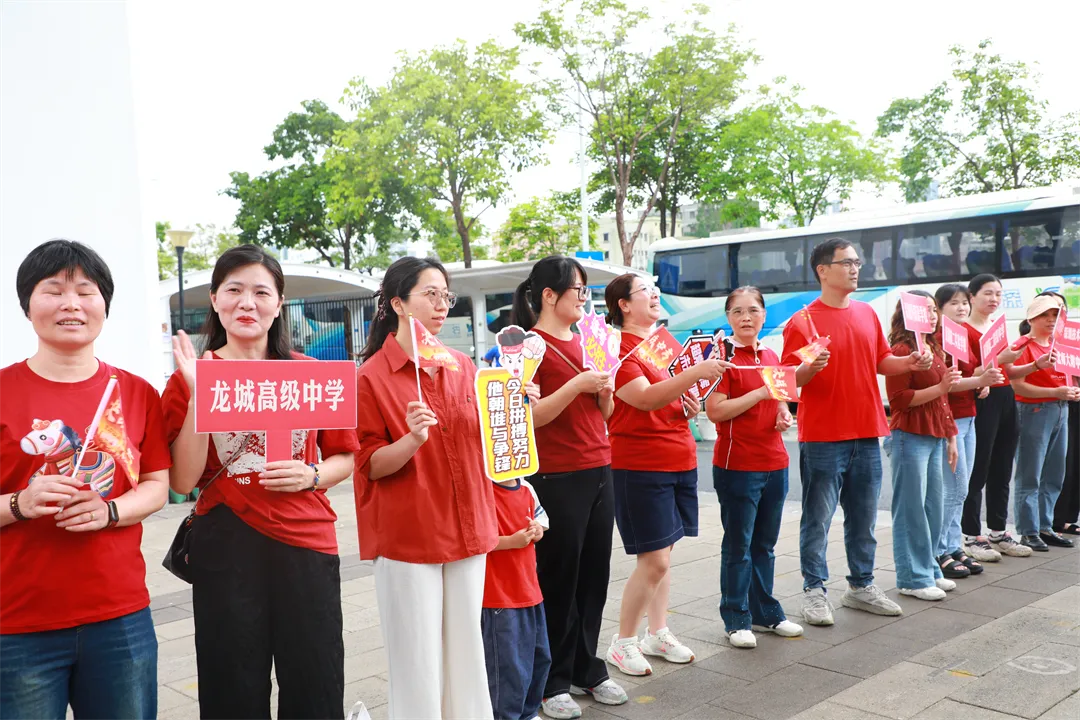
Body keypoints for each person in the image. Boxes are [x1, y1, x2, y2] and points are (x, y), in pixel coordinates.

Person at [163, 245, 358, 720]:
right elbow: (184, 479)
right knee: (232, 682)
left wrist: (310, 474)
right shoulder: (189, 377)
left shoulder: (309, 374)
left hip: (307, 543)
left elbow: (345, 456)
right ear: (214, 299)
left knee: (315, 678)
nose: (246, 303)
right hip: (226, 544)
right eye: (233, 290)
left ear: (279, 302)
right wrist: (196, 392)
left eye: (260, 292)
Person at [0, 240, 171, 718]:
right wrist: (20, 503)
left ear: (104, 306)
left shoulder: (135, 392)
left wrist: (111, 510)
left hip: (120, 617)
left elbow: (158, 483)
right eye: (53, 290)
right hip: (17, 623)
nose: (71, 304)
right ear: (27, 305)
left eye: (86, 292)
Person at [352, 257, 497, 720]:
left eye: (445, 296)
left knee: (466, 648)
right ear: (397, 303)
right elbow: (369, 465)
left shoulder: (461, 365)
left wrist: (512, 402)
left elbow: (487, 440)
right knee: (416, 657)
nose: (441, 306)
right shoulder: (371, 376)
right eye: (429, 295)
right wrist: (412, 440)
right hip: (410, 533)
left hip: (468, 523)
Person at [783, 237, 930, 627]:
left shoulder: (866, 313)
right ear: (823, 270)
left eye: (857, 262)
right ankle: (815, 590)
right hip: (822, 435)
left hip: (867, 430)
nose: (855, 269)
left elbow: (882, 361)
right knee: (817, 519)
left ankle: (861, 585)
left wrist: (909, 360)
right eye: (846, 262)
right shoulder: (802, 321)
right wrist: (807, 370)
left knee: (863, 518)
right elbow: (784, 381)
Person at [510, 256, 627, 719]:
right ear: (548, 296)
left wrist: (603, 393)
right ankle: (552, 680)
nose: (583, 297)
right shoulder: (527, 347)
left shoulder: (589, 342)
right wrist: (579, 383)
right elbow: (526, 417)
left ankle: (586, 666)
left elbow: (604, 416)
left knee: (594, 576)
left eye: (585, 289)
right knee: (559, 578)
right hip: (555, 475)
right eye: (576, 289)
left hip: (599, 467)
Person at [601, 274, 729, 672]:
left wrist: (689, 403)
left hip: (679, 457)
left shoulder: (662, 343)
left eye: (655, 291)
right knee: (654, 560)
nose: (656, 296)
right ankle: (622, 641)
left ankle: (656, 632)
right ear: (623, 304)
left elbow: (671, 394)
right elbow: (642, 398)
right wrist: (695, 375)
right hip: (639, 463)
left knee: (664, 557)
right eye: (646, 292)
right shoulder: (618, 349)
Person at [707, 287, 803, 649]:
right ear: (728, 318)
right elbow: (715, 410)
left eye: (753, 311)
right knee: (739, 545)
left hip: (775, 461)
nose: (746, 317)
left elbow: (780, 401)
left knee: (766, 544)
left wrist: (781, 412)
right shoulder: (722, 357)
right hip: (738, 464)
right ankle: (736, 618)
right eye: (737, 312)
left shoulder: (771, 353)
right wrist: (761, 394)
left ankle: (766, 612)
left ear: (764, 315)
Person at [884, 290, 961, 601]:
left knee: (932, 507)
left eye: (933, 310)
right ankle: (911, 578)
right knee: (910, 510)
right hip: (909, 435)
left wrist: (950, 436)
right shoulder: (903, 350)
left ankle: (929, 569)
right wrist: (942, 386)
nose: (931, 315)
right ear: (907, 314)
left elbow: (943, 398)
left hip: (934, 435)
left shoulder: (933, 346)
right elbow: (899, 401)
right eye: (925, 310)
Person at [932, 284, 1004, 580]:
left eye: (964, 303)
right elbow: (947, 383)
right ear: (939, 309)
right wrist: (978, 380)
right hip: (951, 421)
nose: (961, 308)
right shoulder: (938, 339)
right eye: (953, 303)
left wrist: (981, 381)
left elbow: (972, 372)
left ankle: (953, 545)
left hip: (970, 416)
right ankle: (940, 550)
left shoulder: (961, 335)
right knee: (954, 488)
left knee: (963, 486)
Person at [962, 274, 1030, 560]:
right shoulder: (964, 330)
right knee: (979, 467)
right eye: (988, 293)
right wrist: (999, 361)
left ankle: (999, 531)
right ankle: (971, 535)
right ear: (972, 296)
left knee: (1003, 466)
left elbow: (1007, 371)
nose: (994, 299)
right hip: (981, 399)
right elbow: (967, 373)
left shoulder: (998, 328)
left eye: (998, 294)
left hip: (1005, 397)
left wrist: (1033, 363)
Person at [1005, 295, 1080, 552]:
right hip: (1034, 410)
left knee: (1054, 474)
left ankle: (1045, 527)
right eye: (1044, 315)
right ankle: (1028, 531)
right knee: (1030, 474)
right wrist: (1055, 393)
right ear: (1031, 319)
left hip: (1060, 410)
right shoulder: (1023, 345)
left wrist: (1070, 391)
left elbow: (1068, 379)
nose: (1051, 321)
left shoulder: (1060, 344)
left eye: (1055, 316)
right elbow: (1017, 386)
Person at [481, 477, 551, 720]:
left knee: (539, 657)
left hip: (530, 591)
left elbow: (541, 522)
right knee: (507, 667)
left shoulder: (526, 487)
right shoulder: (481, 489)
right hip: (498, 596)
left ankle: (528, 712)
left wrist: (537, 530)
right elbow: (473, 538)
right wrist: (510, 542)